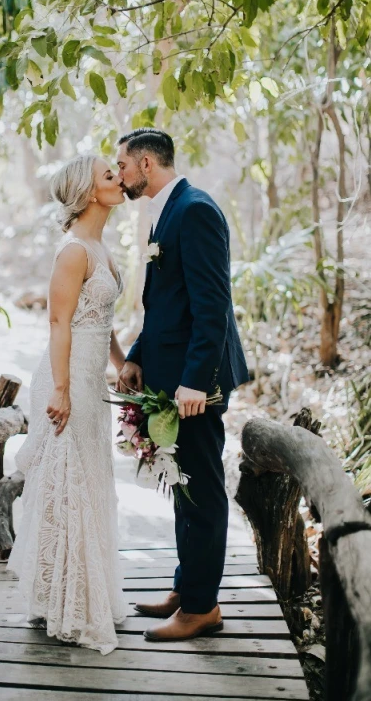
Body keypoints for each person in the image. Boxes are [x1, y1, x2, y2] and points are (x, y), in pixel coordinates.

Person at [117, 128, 249, 642]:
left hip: (198, 386)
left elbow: (212, 304)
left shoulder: (195, 210)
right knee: (181, 485)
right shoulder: (165, 210)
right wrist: (137, 355)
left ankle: (201, 608)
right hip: (170, 380)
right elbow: (167, 303)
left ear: (146, 164)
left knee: (203, 490)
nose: (120, 173)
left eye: (123, 164)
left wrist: (195, 382)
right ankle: (185, 586)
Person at [7, 154, 129, 655]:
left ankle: (74, 594)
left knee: (89, 479)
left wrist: (122, 363)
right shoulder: (74, 251)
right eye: (108, 175)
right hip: (66, 378)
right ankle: (62, 602)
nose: (119, 178)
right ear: (86, 191)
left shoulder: (102, 247)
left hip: (91, 377)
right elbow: (59, 325)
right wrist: (59, 388)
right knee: (67, 481)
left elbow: (101, 319)